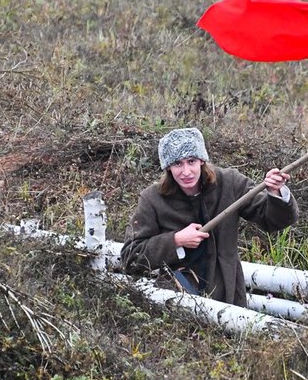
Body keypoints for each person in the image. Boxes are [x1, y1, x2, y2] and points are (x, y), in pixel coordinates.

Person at [120, 127, 298, 308]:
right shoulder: (152, 199)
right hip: (177, 303)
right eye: (177, 164)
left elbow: (274, 220)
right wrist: (176, 240)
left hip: (230, 300)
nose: (186, 171)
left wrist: (275, 193)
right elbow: (130, 258)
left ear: (202, 160)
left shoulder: (230, 183)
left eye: (191, 161)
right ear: (168, 167)